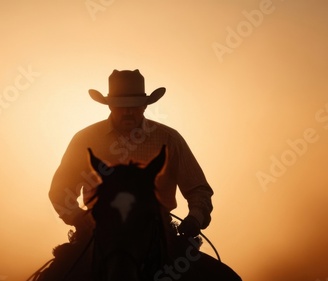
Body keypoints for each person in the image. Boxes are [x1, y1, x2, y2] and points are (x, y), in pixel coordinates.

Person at [48, 69, 213, 244]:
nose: (127, 112)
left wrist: (195, 217)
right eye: (121, 106)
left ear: (145, 105)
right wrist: (79, 219)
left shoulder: (169, 139)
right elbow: (60, 191)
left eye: (134, 105)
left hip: (157, 236)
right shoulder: (85, 140)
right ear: (110, 106)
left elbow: (198, 189)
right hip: (98, 235)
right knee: (63, 271)